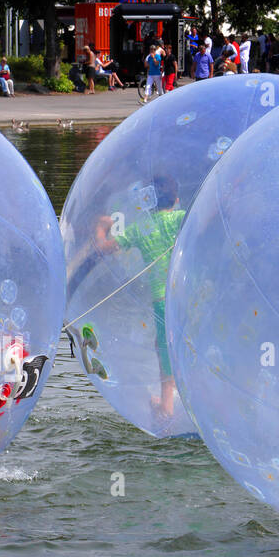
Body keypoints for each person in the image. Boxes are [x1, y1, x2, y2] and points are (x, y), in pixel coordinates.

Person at [93, 176, 184, 426]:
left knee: (165, 348)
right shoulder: (180, 219)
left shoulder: (140, 229)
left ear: (148, 202)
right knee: (172, 345)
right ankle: (189, 398)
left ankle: (167, 407)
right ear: (176, 201)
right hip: (188, 298)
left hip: (163, 301)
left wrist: (101, 229)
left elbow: (104, 248)